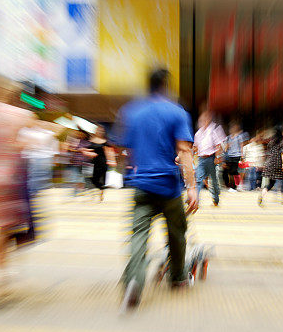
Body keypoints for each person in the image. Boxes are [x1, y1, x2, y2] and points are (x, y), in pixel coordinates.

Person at [118, 67, 198, 310]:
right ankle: (178, 278)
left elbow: (125, 151)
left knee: (138, 236)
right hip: (169, 186)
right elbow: (184, 151)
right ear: (166, 85)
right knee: (176, 232)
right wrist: (192, 188)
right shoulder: (177, 112)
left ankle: (133, 281)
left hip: (140, 183)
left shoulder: (131, 112)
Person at [194, 111, 226, 207]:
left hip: (211, 158)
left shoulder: (214, 129)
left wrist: (217, 157)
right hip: (201, 159)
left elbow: (218, 145)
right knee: (199, 179)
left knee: (214, 180)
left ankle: (216, 199)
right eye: (201, 120)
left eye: (204, 119)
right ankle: (196, 200)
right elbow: (196, 146)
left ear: (208, 120)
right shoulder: (198, 133)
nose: (202, 122)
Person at [258, 125, 283, 206]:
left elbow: (268, 153)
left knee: (271, 183)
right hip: (278, 164)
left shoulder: (271, 142)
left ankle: (262, 194)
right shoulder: (282, 142)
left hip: (270, 163)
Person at [88, 126, 115, 202]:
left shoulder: (105, 141)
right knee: (93, 179)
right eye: (98, 130)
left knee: (103, 178)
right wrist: (86, 152)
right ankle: (100, 189)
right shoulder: (92, 140)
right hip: (94, 162)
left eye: (101, 131)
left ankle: (101, 193)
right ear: (95, 131)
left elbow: (110, 151)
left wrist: (112, 160)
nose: (99, 132)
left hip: (103, 162)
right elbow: (89, 150)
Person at [223, 122, 248, 191]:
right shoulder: (228, 138)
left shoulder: (239, 137)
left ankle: (235, 186)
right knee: (230, 172)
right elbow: (226, 148)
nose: (232, 130)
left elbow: (241, 146)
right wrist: (227, 146)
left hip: (237, 155)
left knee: (234, 171)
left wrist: (242, 156)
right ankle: (236, 185)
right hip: (230, 155)